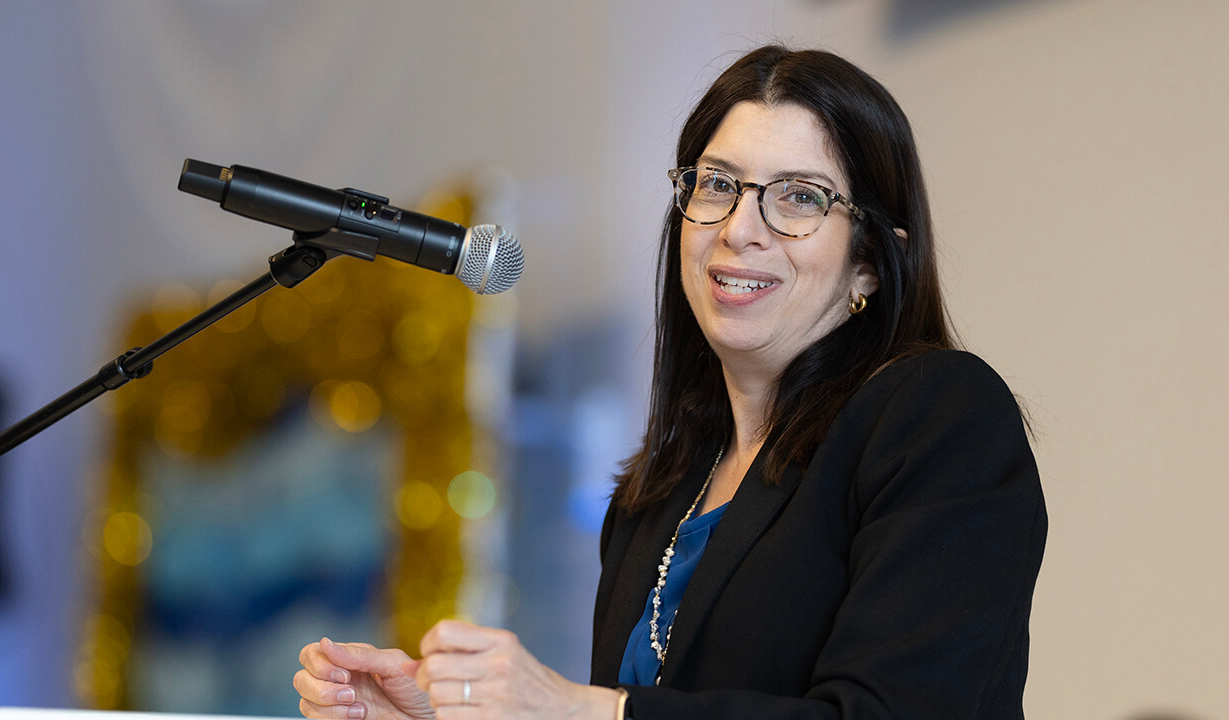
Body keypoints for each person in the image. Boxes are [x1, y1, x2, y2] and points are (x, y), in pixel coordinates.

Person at [294, 45, 1047, 720]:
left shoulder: (938, 416)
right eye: (717, 184)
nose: (739, 228)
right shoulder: (655, 494)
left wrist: (582, 711)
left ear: (871, 264)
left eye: (799, 197)